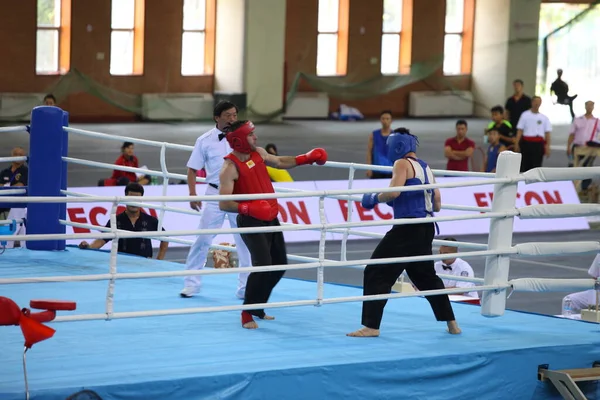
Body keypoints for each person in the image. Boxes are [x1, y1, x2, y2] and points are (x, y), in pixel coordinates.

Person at [347, 128, 461, 337]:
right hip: (426, 227)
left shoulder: (401, 164)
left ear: (398, 145)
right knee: (426, 277)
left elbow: (394, 192)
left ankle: (371, 326)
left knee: (375, 271)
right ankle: (452, 322)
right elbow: (437, 204)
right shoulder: (427, 168)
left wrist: (373, 198)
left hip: (407, 228)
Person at [218, 120, 328, 329]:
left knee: (279, 264)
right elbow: (224, 203)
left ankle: (258, 306)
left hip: (270, 217)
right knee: (263, 265)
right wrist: (247, 208)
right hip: (250, 221)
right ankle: (247, 312)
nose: (256, 137)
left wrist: (306, 158)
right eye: (251, 135)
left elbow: (279, 162)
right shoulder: (229, 168)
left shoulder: (258, 152)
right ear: (239, 140)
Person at [180, 101, 252, 299]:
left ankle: (245, 288)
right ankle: (191, 284)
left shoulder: (244, 138)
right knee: (203, 239)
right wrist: (192, 193)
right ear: (217, 117)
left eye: (235, 115)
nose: (232, 119)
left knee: (244, 242)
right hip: (214, 195)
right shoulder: (204, 140)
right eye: (228, 115)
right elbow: (192, 169)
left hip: (239, 195)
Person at [78, 183, 169, 259]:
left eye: (136, 198)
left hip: (145, 266)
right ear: (125, 197)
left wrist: (159, 260)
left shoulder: (150, 220)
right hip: (122, 266)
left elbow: (165, 238)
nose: (133, 202)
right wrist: (89, 247)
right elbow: (102, 240)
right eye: (130, 198)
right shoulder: (116, 221)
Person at [567, 101, 599, 191]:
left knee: (587, 167)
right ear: (585, 106)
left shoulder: (596, 121)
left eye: (591, 106)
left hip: (590, 148)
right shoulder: (578, 119)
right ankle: (573, 187)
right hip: (578, 147)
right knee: (575, 167)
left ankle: (584, 187)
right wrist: (568, 146)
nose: (589, 107)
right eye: (588, 105)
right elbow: (572, 134)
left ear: (593, 107)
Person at [515, 96, 552, 172]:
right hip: (526, 143)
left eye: (539, 102)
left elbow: (547, 133)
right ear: (532, 102)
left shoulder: (544, 118)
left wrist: (547, 146)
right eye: (535, 101)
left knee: (536, 166)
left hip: (538, 144)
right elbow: (520, 131)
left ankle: (535, 183)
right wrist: (516, 144)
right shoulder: (525, 115)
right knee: (525, 165)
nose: (537, 104)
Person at [0, 147, 28, 220]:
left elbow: (20, 185)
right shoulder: (4, 172)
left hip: (18, 200)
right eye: (16, 154)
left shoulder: (26, 171)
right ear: (12, 155)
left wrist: (5, 186)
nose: (18, 156)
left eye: (20, 154)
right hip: (3, 198)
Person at [366, 110, 394, 179]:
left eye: (387, 119)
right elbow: (369, 152)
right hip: (376, 170)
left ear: (391, 120)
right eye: (383, 118)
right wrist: (368, 168)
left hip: (391, 170)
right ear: (380, 120)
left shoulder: (395, 136)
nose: (385, 121)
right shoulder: (374, 135)